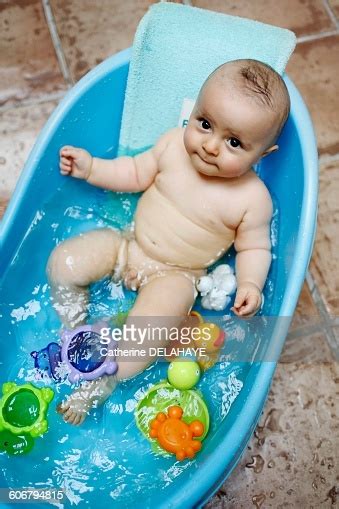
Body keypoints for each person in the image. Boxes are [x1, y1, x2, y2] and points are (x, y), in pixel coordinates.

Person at [48, 58, 290, 425]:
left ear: (263, 154)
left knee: (147, 336)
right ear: (192, 110)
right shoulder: (173, 145)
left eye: (234, 142)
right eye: (205, 124)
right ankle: (73, 325)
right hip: (127, 246)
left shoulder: (253, 200)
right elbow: (133, 172)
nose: (210, 146)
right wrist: (92, 168)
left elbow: (254, 247)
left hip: (177, 275)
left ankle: (102, 381)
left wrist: (252, 284)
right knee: (64, 262)